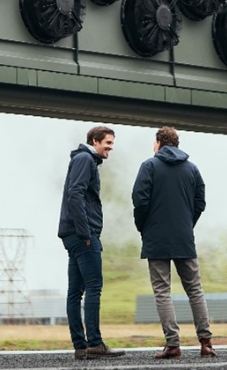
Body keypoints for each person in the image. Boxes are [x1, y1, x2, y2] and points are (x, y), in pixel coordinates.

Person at [132, 126, 216, 359]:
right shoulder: (192, 168)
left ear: (159, 142)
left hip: (156, 237)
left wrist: (143, 227)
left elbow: (140, 201)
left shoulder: (149, 166)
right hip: (184, 237)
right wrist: (187, 224)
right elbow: (200, 202)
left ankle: (173, 344)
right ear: (176, 144)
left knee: (162, 291)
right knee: (195, 290)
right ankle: (206, 342)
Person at [58, 125, 125, 360]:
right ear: (95, 141)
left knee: (75, 291)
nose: (110, 148)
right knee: (93, 287)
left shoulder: (82, 159)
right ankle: (94, 343)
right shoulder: (85, 159)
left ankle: (80, 346)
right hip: (82, 235)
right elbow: (75, 193)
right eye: (107, 143)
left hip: (72, 234)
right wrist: (86, 233)